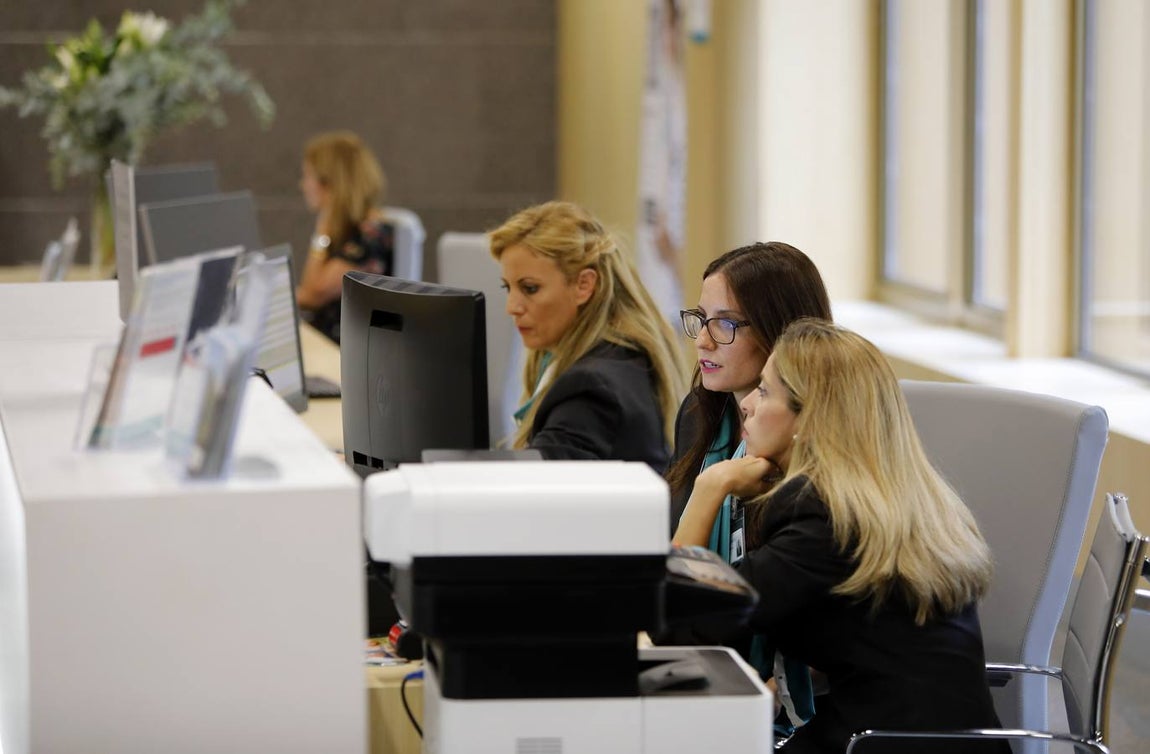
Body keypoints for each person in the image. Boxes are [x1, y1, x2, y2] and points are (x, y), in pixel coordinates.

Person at [673, 319, 1009, 754]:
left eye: (765, 391)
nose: (748, 405)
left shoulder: (819, 519)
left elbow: (686, 626)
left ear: (808, 421)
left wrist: (709, 488)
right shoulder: (889, 497)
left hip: (880, 744)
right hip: (934, 738)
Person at [662, 242, 832, 738]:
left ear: (783, 335)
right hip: (721, 665)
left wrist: (710, 489)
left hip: (793, 710)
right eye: (701, 318)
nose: (703, 342)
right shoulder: (700, 418)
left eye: (727, 324)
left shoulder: (813, 477)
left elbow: (691, 613)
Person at [489, 200, 686, 471]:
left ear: (584, 285)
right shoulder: (619, 357)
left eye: (530, 289)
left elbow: (535, 493)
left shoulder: (591, 387)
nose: (512, 307)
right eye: (507, 288)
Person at [295, 131, 394, 343]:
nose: (303, 185)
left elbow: (310, 296)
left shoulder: (370, 237)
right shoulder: (351, 230)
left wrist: (322, 231)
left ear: (329, 183)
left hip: (343, 355)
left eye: (308, 176)